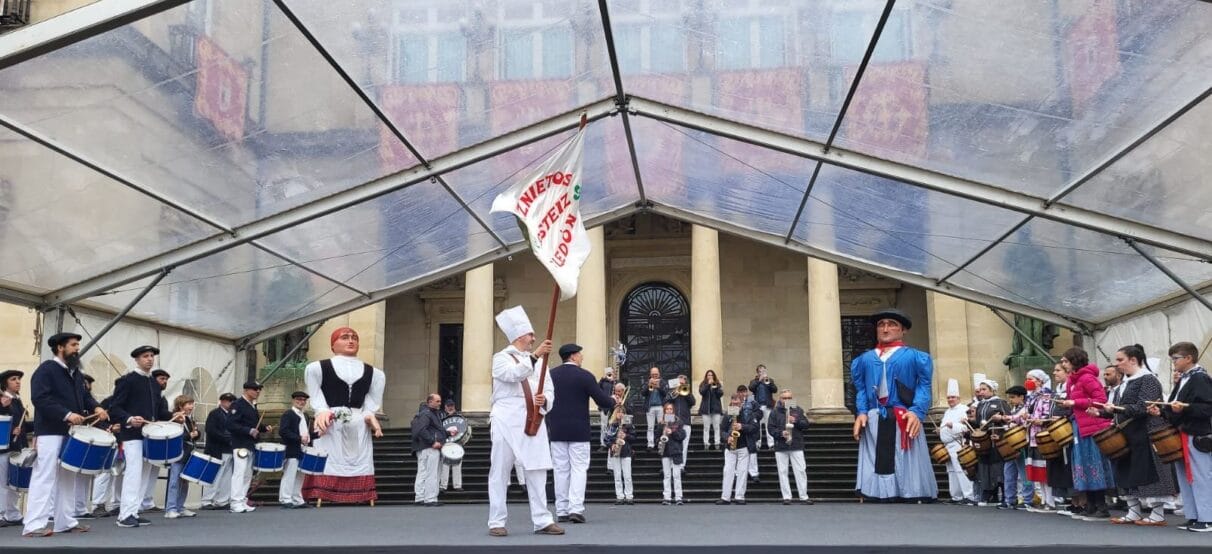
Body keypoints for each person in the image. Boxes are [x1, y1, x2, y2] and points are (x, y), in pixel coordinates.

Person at [23, 332, 108, 537]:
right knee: (44, 476)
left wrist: (97, 408)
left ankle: (65, 521)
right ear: (60, 347)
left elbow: (85, 396)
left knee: (68, 476)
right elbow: (40, 398)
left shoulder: (75, 373)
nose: (77, 348)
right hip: (50, 432)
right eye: (73, 345)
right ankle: (33, 525)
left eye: (77, 345)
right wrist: (67, 414)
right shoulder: (46, 370)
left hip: (71, 433)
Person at [487, 306, 561, 537]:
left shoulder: (541, 363)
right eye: (530, 335)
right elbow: (512, 375)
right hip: (506, 417)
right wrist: (536, 355)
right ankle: (496, 520)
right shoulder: (500, 358)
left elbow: (549, 388)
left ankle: (543, 520)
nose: (534, 338)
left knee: (537, 469)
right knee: (500, 469)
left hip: (533, 417)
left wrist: (545, 399)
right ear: (519, 336)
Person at [850, 309, 937, 502]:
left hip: (904, 416)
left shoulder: (916, 357)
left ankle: (909, 491)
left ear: (903, 330)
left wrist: (917, 411)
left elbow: (924, 386)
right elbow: (861, 389)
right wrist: (861, 411)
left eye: (892, 324)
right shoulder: (864, 360)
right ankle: (878, 491)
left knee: (905, 455)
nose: (886, 329)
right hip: (874, 416)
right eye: (881, 324)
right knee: (876, 454)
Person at [303, 327, 386, 505]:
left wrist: (369, 414)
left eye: (354, 338)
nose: (351, 341)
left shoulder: (375, 374)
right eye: (345, 337)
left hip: (358, 421)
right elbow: (315, 395)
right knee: (329, 454)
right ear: (333, 344)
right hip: (329, 420)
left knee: (359, 457)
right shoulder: (317, 368)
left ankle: (362, 494)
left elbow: (372, 400)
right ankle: (323, 493)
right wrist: (322, 410)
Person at [1104, 344, 1177, 526]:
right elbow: (1123, 409)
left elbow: (1145, 406)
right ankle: (1134, 511)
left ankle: (1158, 514)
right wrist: (1102, 412)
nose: (1117, 364)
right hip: (1129, 432)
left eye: (1120, 360)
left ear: (1134, 360)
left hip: (1146, 430)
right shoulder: (1126, 382)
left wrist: (1119, 408)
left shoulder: (1148, 380)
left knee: (1152, 472)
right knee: (1128, 471)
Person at [547, 343, 616, 524]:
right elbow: (602, 400)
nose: (582, 357)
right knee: (579, 468)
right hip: (579, 430)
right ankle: (575, 509)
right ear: (573, 356)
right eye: (580, 354)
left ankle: (561, 509)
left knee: (560, 470)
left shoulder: (551, 375)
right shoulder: (584, 376)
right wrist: (613, 399)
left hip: (556, 429)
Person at [108, 345, 172, 528]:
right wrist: (129, 418)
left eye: (152, 356)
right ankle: (125, 514)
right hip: (132, 434)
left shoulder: (153, 383)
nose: (150, 359)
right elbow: (115, 408)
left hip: (149, 435)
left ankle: (134, 511)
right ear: (137, 359)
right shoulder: (127, 380)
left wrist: (175, 415)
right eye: (145, 356)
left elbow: (159, 410)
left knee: (143, 474)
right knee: (134, 473)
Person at [1151, 341, 1212, 532]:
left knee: (1201, 476)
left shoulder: (1200, 378)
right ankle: (1194, 515)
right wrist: (1161, 411)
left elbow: (1207, 407)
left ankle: (1208, 518)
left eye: (1176, 358)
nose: (1173, 363)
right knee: (1186, 477)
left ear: (1188, 358)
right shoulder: (1185, 378)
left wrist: (1185, 407)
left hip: (1197, 434)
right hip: (1183, 433)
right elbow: (1174, 407)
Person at [1058, 347, 1115, 521]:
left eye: (1065, 361)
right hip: (1079, 425)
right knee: (1082, 465)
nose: (1063, 364)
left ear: (1074, 361)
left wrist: (1075, 402)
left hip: (1092, 427)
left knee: (1093, 465)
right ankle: (1090, 504)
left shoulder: (1088, 378)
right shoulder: (1071, 381)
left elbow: (1101, 400)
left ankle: (1101, 505)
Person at [227, 380, 272, 514]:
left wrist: (264, 428)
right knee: (239, 473)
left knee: (247, 474)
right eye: (255, 389)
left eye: (259, 389)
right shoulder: (238, 404)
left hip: (250, 444)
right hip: (240, 444)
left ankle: (242, 500)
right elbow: (231, 424)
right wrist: (248, 430)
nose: (258, 391)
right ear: (246, 390)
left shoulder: (252, 406)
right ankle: (235, 502)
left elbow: (254, 423)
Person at [1015, 369, 1055, 512]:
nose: (1027, 381)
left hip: (1042, 436)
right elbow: (1023, 413)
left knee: (1044, 470)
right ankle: (1044, 499)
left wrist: (1037, 420)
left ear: (1039, 381)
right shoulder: (1031, 397)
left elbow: (1046, 414)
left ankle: (1050, 501)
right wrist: (1019, 418)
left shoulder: (1046, 395)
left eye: (1030, 379)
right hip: (1032, 437)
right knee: (1037, 470)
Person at [770, 389, 812, 505]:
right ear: (780, 399)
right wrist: (780, 433)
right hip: (781, 445)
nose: (787, 400)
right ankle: (787, 497)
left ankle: (803, 496)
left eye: (789, 398)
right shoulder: (774, 412)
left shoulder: (798, 410)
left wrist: (796, 421)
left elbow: (806, 425)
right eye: (784, 398)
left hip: (796, 444)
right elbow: (771, 428)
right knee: (783, 472)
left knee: (801, 471)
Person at [1046, 362, 1077, 515]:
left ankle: (1075, 498)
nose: (1054, 373)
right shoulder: (1056, 391)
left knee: (1069, 464)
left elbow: (1073, 409)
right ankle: (1067, 498)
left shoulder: (1070, 389)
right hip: (1058, 432)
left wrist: (1062, 416)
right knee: (1060, 464)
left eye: (1058, 370)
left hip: (1068, 431)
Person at [939, 379, 975, 505]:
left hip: (959, 443)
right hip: (948, 445)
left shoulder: (964, 409)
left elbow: (967, 427)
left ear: (958, 398)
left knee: (961, 470)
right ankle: (956, 496)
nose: (950, 400)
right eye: (948, 397)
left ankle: (969, 495)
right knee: (952, 471)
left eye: (953, 397)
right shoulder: (947, 411)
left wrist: (952, 426)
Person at [717, 394, 758, 505]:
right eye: (733, 401)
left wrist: (742, 427)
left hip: (744, 446)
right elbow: (722, 430)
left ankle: (739, 496)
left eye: (737, 402)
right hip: (730, 447)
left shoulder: (748, 413)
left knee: (742, 472)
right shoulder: (728, 414)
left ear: (741, 402)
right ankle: (725, 497)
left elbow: (755, 428)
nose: (735, 403)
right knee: (727, 472)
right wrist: (727, 437)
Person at [0, 369, 28, 527]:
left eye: (18, 379)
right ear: (5, 383)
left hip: (15, 447)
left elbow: (22, 424)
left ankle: (12, 513)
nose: (18, 381)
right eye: (13, 379)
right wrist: (3, 408)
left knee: (12, 483)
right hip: (3, 448)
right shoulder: (2, 401)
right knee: (2, 483)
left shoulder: (17, 401)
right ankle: (1, 514)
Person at [165, 395, 200, 519]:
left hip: (188, 452)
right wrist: (189, 435)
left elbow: (193, 435)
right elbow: (174, 435)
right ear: (180, 405)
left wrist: (196, 434)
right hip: (178, 453)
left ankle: (180, 506)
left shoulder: (190, 419)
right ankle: (170, 508)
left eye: (192, 404)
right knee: (174, 482)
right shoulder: (174, 418)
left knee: (185, 481)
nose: (191, 406)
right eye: (188, 404)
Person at [278, 391, 314, 509]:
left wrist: (318, 434)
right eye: (299, 399)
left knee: (300, 475)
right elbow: (283, 431)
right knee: (290, 474)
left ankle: (297, 499)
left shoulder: (305, 415)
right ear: (293, 400)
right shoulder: (289, 414)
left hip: (303, 449)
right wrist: (299, 438)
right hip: (291, 449)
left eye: (304, 400)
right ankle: (285, 498)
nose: (301, 402)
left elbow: (307, 434)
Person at [200, 392, 236, 510]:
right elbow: (211, 430)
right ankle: (207, 500)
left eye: (231, 401)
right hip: (217, 448)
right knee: (214, 475)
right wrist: (227, 438)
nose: (229, 403)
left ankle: (222, 500)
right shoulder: (215, 414)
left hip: (229, 449)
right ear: (221, 401)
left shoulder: (232, 415)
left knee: (227, 476)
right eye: (227, 400)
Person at [411, 393, 448, 507]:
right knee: (431, 473)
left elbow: (429, 429)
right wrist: (433, 441)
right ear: (430, 402)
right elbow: (422, 430)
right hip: (430, 447)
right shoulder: (427, 414)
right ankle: (430, 498)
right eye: (437, 401)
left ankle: (420, 497)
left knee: (423, 472)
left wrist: (447, 433)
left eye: (440, 401)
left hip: (424, 447)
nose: (440, 403)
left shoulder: (427, 414)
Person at [997, 385, 1029, 509]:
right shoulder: (1014, 409)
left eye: (1013, 397)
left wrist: (1007, 420)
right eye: (1009, 397)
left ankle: (1027, 499)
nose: (1010, 400)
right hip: (1011, 443)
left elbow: (1023, 421)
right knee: (1008, 472)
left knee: (1024, 473)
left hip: (1021, 442)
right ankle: (1010, 498)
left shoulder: (1026, 408)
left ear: (1021, 397)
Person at [604, 394, 635, 505]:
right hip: (615, 452)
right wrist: (611, 444)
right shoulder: (611, 425)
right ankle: (620, 496)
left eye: (622, 412)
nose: (620, 414)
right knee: (617, 476)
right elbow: (606, 439)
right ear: (615, 413)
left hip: (626, 452)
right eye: (618, 412)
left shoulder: (628, 425)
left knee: (627, 476)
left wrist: (625, 436)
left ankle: (629, 496)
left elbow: (634, 438)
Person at [657, 402, 686, 506]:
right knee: (667, 475)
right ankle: (667, 497)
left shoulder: (678, 422)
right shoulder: (661, 423)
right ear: (664, 411)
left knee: (677, 475)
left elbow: (682, 436)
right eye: (667, 409)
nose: (669, 411)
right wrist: (660, 438)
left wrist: (672, 432)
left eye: (670, 409)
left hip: (676, 451)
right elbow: (657, 437)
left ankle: (678, 497)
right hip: (665, 451)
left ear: (673, 411)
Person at [667, 374, 695, 461]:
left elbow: (693, 402)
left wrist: (685, 391)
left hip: (685, 421)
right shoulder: (671, 392)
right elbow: (666, 402)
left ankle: (682, 465)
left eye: (682, 382)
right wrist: (675, 391)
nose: (680, 384)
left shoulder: (687, 393)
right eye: (679, 382)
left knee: (684, 445)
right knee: (671, 443)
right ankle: (671, 464)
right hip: (671, 420)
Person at [749, 365, 778, 449]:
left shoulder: (769, 380)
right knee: (757, 425)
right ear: (758, 372)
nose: (763, 372)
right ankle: (758, 443)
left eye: (764, 371)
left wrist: (769, 383)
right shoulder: (753, 381)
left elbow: (775, 390)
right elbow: (751, 388)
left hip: (768, 405)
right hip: (758, 406)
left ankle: (771, 444)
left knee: (768, 424)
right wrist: (759, 380)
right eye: (761, 371)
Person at [738, 385, 762, 483]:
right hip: (740, 430)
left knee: (752, 451)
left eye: (744, 392)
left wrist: (752, 417)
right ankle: (738, 472)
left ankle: (754, 473)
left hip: (751, 429)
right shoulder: (735, 403)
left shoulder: (753, 402)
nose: (743, 394)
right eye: (741, 392)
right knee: (739, 452)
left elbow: (759, 413)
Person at [440, 400, 464, 493]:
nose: (450, 407)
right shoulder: (441, 416)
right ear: (445, 407)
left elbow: (464, 428)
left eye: (452, 406)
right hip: (446, 443)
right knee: (445, 465)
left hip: (457, 443)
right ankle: (443, 485)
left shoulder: (459, 416)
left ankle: (457, 485)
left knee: (457, 465)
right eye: (448, 406)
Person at [699, 370, 724, 450]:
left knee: (716, 427)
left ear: (714, 376)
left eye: (711, 375)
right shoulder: (703, 384)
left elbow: (720, 394)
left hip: (716, 409)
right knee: (706, 427)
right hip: (706, 410)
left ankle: (717, 442)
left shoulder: (718, 384)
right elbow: (702, 392)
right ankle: (706, 443)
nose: (710, 376)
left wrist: (716, 387)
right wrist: (707, 385)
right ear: (706, 376)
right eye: (708, 375)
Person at [644, 367, 668, 450]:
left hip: (660, 406)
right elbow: (643, 393)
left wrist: (658, 387)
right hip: (650, 407)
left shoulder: (663, 382)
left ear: (659, 374)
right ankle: (650, 444)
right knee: (650, 427)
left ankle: (660, 443)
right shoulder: (647, 382)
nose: (654, 376)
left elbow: (665, 393)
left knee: (661, 426)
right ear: (650, 375)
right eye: (653, 374)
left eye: (656, 374)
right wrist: (648, 385)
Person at [597, 368, 617, 451]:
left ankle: (612, 442)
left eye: (611, 373)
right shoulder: (602, 382)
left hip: (614, 407)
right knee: (604, 426)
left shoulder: (616, 382)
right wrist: (602, 379)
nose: (610, 375)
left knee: (613, 425)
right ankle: (603, 443)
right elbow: (597, 391)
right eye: (608, 373)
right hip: (604, 406)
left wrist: (613, 381)